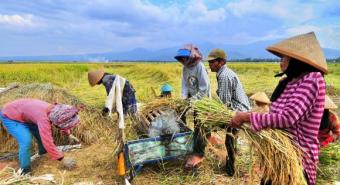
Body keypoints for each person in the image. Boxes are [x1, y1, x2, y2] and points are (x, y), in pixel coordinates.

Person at [231, 32, 328, 185]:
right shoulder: (289, 82)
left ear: (297, 60)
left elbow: (287, 118)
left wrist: (246, 117)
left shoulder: (313, 79)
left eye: (283, 58)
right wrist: (248, 114)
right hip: (280, 155)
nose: (280, 62)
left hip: (297, 158)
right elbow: (273, 110)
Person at [0, 98, 81, 174]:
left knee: (39, 132)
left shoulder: (55, 111)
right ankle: (25, 169)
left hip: (26, 114)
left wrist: (69, 134)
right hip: (10, 116)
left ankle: (43, 152)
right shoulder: (43, 119)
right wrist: (62, 159)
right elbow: (47, 141)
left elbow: (62, 120)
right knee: (26, 141)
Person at [207, 48, 251, 176]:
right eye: (209, 62)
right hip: (237, 109)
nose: (209, 64)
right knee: (231, 138)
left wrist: (214, 115)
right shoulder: (222, 73)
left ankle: (231, 169)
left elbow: (225, 103)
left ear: (220, 62)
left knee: (229, 140)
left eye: (212, 62)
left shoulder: (225, 76)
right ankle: (232, 163)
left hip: (238, 111)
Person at [174, 44, 212, 169]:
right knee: (191, 122)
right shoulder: (185, 68)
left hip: (203, 101)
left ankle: (199, 154)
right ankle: (194, 143)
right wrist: (184, 99)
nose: (184, 61)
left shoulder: (199, 67)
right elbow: (184, 85)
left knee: (199, 125)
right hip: (192, 100)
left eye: (186, 58)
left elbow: (204, 88)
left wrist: (192, 101)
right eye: (182, 59)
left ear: (192, 57)